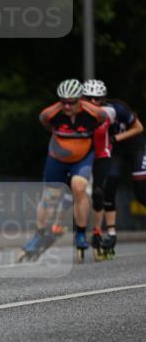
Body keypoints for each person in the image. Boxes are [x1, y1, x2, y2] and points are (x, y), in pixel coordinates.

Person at [22, 79, 108, 261]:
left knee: (79, 188)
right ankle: (38, 234)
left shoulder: (93, 113)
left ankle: (81, 233)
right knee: (49, 197)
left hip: (83, 158)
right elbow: (45, 122)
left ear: (80, 100)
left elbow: (102, 119)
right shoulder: (51, 114)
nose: (67, 106)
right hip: (57, 158)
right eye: (63, 102)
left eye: (71, 102)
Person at [82, 78, 144, 257]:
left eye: (97, 99)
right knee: (108, 187)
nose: (93, 102)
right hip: (114, 151)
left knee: (141, 192)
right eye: (89, 98)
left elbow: (139, 127)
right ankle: (111, 233)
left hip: (135, 147)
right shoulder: (84, 114)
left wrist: (117, 138)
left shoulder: (117, 108)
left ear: (104, 99)